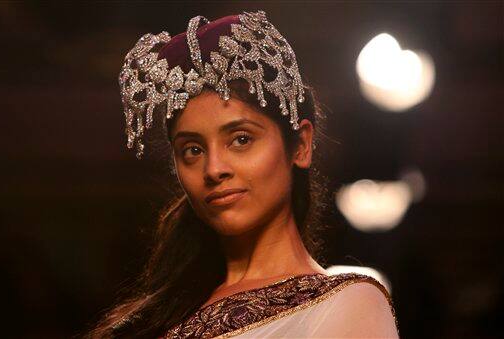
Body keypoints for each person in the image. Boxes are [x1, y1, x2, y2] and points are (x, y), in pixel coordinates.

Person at [87, 10, 399, 338]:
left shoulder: (346, 305)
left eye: (241, 139)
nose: (214, 169)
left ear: (301, 146)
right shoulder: (154, 316)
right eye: (192, 150)